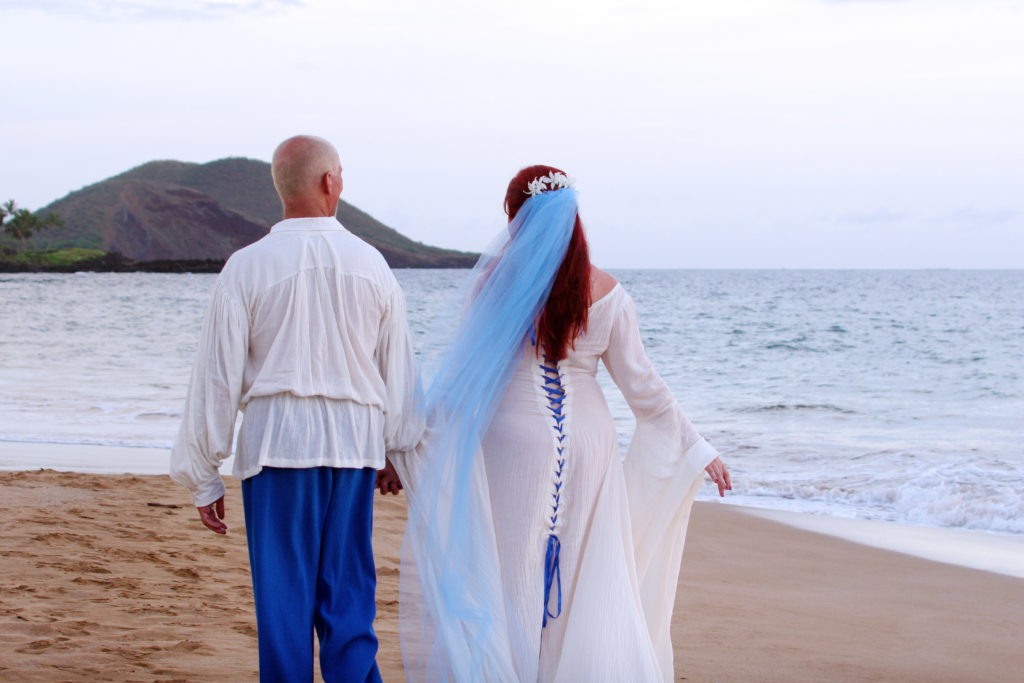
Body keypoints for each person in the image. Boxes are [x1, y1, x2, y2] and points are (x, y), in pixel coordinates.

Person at [380, 165, 731, 682]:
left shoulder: (493, 284)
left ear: (514, 216)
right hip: (588, 441)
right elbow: (645, 390)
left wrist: (404, 446)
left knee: (509, 567)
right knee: (584, 568)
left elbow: (460, 378)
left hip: (511, 437)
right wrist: (697, 447)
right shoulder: (608, 292)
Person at [170, 135, 422, 682]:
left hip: (277, 447)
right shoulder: (372, 264)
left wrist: (203, 473)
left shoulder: (246, 266)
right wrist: (396, 447)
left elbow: (217, 374)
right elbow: (397, 367)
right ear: (330, 182)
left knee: (283, 607)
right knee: (349, 596)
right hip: (353, 446)